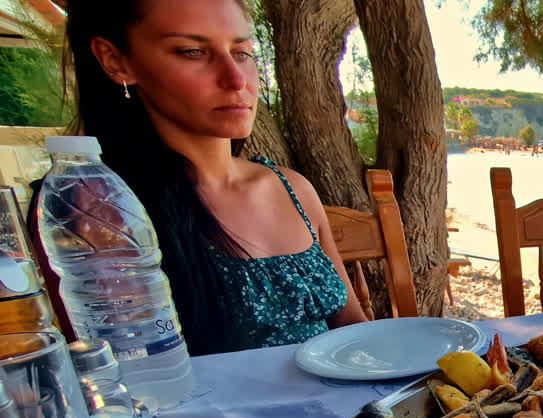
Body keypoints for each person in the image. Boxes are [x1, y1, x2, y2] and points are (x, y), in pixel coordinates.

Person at [59, 0, 368, 356]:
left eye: (242, 52)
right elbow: (128, 375)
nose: (236, 80)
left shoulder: (292, 187)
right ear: (116, 61)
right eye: (192, 51)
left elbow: (351, 327)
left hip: (347, 410)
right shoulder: (103, 211)